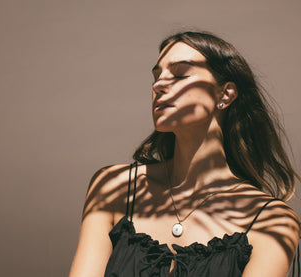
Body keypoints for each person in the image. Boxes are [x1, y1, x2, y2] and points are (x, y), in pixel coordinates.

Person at [69, 31, 301, 277]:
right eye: (156, 76)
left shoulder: (272, 220)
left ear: (225, 94)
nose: (159, 84)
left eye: (179, 74)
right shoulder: (114, 188)